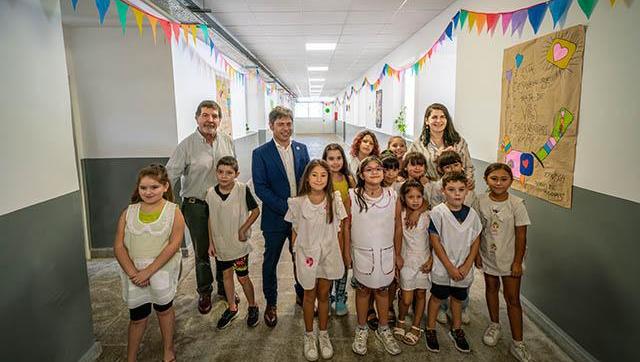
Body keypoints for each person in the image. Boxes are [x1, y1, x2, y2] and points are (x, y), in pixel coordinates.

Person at [166, 100, 236, 314]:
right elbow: (170, 175)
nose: (210, 120)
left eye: (214, 116)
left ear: (219, 120)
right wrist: (169, 207)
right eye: (205, 115)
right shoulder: (186, 145)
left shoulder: (227, 141)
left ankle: (225, 289)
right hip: (197, 206)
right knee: (202, 250)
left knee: (225, 248)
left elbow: (233, 169)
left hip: (224, 205)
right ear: (197, 118)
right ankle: (205, 292)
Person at [114, 164, 185, 362]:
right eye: (143, 188)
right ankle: (131, 357)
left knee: (164, 311)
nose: (148, 192)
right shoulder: (128, 213)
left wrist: (149, 272)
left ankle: (168, 350)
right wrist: (133, 273)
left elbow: (174, 245)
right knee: (137, 317)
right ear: (138, 189)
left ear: (165, 187)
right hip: (134, 275)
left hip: (160, 271)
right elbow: (119, 246)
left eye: (154, 187)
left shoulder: (173, 212)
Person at [252, 106, 310, 327]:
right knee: (271, 262)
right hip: (276, 218)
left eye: (288, 124)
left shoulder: (301, 148)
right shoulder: (261, 153)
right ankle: (272, 303)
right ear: (271, 126)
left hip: (302, 219)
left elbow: (307, 180)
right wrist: (288, 208)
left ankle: (301, 293)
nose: (286, 128)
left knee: (301, 259)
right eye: (281, 124)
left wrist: (303, 207)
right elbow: (261, 188)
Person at [284, 160, 348, 361]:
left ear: (328, 178)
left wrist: (342, 255)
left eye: (323, 175)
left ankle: (323, 332)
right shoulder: (298, 202)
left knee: (324, 294)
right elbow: (295, 230)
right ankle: (309, 335)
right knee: (308, 295)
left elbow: (339, 230)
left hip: (328, 255)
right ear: (307, 178)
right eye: (314, 175)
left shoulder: (334, 199)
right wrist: (295, 256)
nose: (319, 179)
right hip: (307, 256)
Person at [475, 163, 532, 362]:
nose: (498, 183)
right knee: (490, 288)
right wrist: (476, 255)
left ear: (511, 181)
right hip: (488, 255)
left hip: (510, 259)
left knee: (512, 298)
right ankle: (494, 325)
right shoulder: (480, 201)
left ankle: (518, 342)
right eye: (494, 179)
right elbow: (477, 231)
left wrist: (517, 262)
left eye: (503, 179)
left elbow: (522, 236)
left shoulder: (517, 204)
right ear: (486, 180)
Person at [346, 156, 402, 356]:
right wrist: (347, 252)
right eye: (368, 169)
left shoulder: (392, 195)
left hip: (386, 252)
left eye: (378, 168)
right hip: (362, 252)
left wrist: (398, 253)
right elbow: (346, 226)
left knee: (383, 291)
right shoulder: (352, 196)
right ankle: (361, 328)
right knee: (362, 291)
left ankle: (383, 328)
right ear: (361, 174)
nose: (374, 172)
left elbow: (397, 226)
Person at [425, 172, 482, 354]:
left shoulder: (472, 214)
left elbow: (475, 241)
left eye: (461, 190)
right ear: (443, 191)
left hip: (463, 269)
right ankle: (430, 329)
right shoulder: (438, 213)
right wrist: (449, 267)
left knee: (458, 299)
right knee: (436, 298)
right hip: (443, 267)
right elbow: (435, 241)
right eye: (451, 190)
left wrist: (466, 265)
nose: (457, 194)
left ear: (467, 192)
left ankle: (456, 329)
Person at [205, 157, 260, 330]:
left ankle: (253, 306)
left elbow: (256, 211)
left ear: (236, 174)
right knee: (226, 277)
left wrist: (244, 228)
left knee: (243, 277)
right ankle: (232, 307)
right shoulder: (210, 194)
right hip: (221, 245)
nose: (224, 176)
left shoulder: (242, 190)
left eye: (229, 173)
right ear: (216, 173)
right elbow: (210, 219)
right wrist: (211, 243)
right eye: (220, 172)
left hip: (238, 245)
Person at [393, 180, 432, 346]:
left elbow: (434, 240)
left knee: (421, 294)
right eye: (411, 197)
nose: (415, 200)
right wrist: (397, 257)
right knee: (407, 298)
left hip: (423, 260)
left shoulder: (428, 215)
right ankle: (401, 320)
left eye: (419, 196)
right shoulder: (400, 214)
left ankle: (416, 326)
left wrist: (432, 259)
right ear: (403, 198)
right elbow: (398, 235)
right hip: (407, 260)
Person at [322, 143, 355, 317]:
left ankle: (340, 295)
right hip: (328, 228)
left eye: (339, 158)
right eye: (331, 158)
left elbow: (353, 204)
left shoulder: (348, 179)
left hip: (345, 229)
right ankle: (326, 296)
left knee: (343, 260)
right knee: (328, 262)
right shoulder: (323, 179)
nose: (335, 162)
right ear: (324, 160)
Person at [406, 103, 474, 188]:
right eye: (434, 117)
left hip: (455, 190)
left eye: (442, 117)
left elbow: (468, 167)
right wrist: (420, 178)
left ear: (447, 120)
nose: (438, 121)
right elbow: (406, 166)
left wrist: (468, 180)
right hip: (428, 190)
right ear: (427, 120)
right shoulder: (418, 145)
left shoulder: (459, 142)